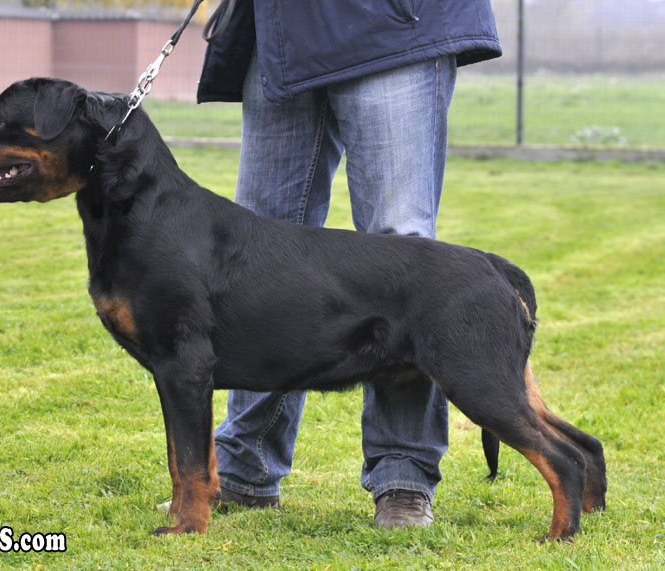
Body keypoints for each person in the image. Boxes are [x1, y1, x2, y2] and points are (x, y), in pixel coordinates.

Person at [194, 1, 502, 528]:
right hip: (282, 32)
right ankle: (246, 464)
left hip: (393, 24)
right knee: (255, 262)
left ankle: (402, 474)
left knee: (399, 249)